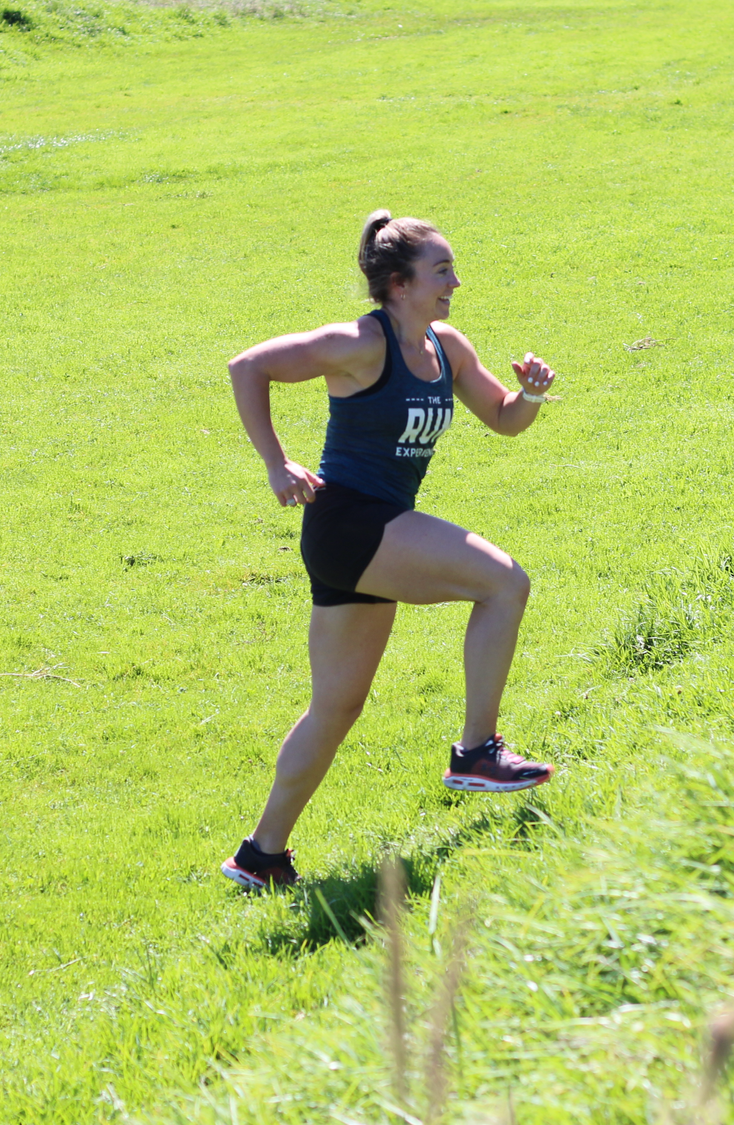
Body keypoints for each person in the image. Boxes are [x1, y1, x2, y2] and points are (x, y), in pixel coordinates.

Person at [219, 209, 561, 891]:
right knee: (504, 583)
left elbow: (501, 418)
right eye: (442, 272)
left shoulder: (447, 346)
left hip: (372, 533)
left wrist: (529, 393)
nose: (455, 283)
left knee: (336, 706)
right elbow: (247, 366)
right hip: (350, 522)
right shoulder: (358, 344)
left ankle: (260, 857)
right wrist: (276, 463)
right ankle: (477, 751)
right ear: (399, 283)